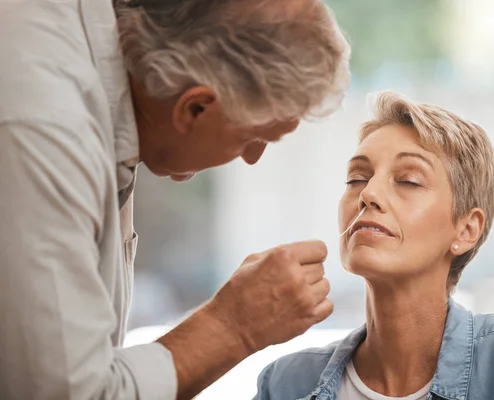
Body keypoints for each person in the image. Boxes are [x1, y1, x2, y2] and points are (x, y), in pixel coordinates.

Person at [0, 0, 350, 398]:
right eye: (252, 138)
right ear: (195, 107)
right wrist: (234, 325)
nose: (251, 158)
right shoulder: (46, 128)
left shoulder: (108, 103)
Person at [255, 92, 494, 400]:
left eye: (408, 180)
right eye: (356, 178)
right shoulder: (285, 384)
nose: (368, 194)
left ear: (466, 230)